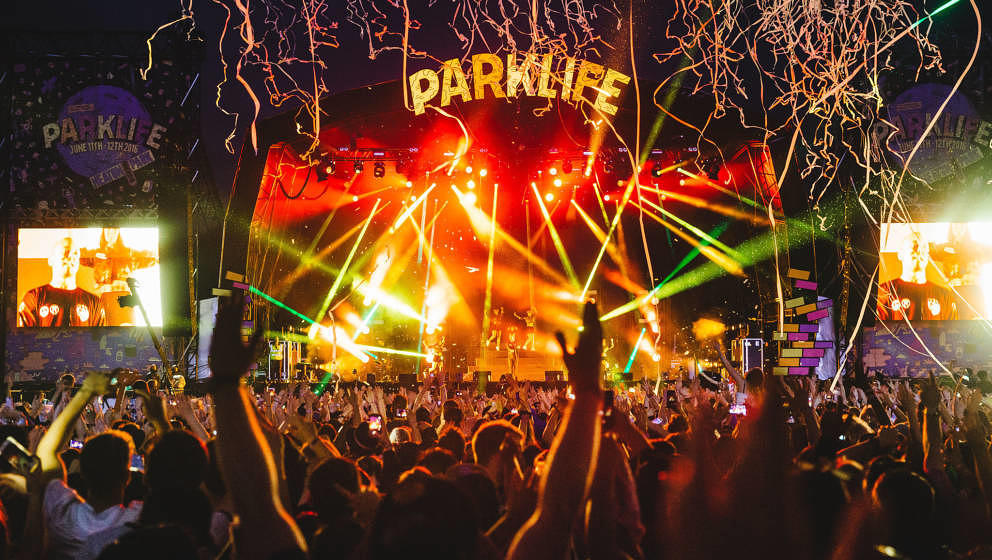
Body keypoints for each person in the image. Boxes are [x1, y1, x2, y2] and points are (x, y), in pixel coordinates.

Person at [17, 237, 107, 327]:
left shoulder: (95, 303)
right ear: (51, 260)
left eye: (75, 254)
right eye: (66, 251)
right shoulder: (33, 298)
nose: (70, 257)